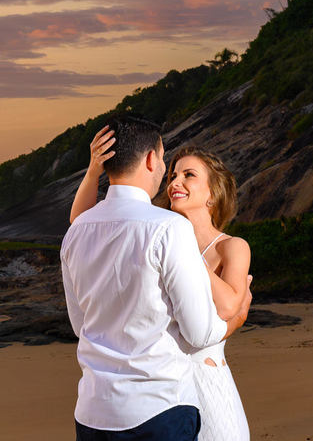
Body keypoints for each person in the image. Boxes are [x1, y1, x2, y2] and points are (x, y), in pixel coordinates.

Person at [60, 116, 247, 441]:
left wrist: (95, 170)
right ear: (150, 160)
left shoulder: (82, 233)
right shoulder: (168, 231)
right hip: (161, 404)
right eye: (169, 166)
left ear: (213, 193)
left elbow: (80, 326)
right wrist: (238, 316)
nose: (171, 178)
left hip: (95, 410)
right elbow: (203, 331)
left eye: (189, 175)